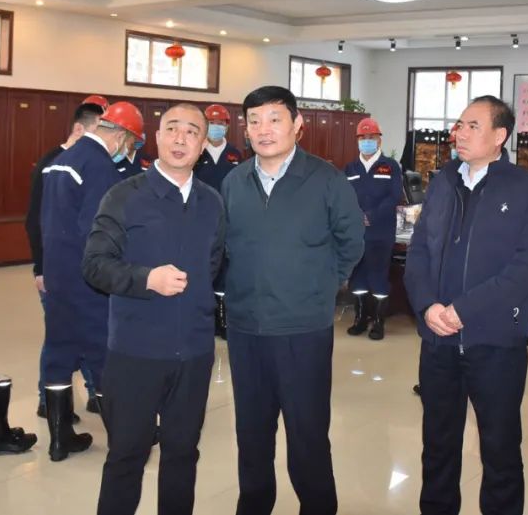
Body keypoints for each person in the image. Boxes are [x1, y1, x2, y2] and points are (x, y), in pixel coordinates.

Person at [220, 85, 364, 515]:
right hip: (246, 328)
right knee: (251, 434)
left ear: (297, 124)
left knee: (308, 435)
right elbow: (223, 248)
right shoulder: (234, 182)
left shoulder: (326, 179)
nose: (264, 130)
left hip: (303, 330)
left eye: (274, 119)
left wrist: (320, 286)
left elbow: (351, 242)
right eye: (254, 121)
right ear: (246, 129)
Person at [403, 96, 528, 515]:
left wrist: (463, 310)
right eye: (459, 125)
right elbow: (420, 251)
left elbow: (526, 268)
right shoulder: (443, 181)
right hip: (439, 341)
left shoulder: (525, 190)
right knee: (437, 446)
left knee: (500, 449)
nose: (460, 134)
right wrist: (428, 306)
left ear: (500, 135)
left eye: (472, 126)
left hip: (495, 342)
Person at [84, 103, 226, 515]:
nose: (181, 139)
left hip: (194, 352)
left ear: (203, 143)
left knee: (182, 454)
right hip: (136, 351)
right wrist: (146, 279)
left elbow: (213, 264)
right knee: (127, 455)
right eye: (172, 129)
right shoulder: (124, 195)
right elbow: (94, 265)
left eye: (192, 132)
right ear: (157, 137)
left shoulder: (212, 203)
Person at [40, 100, 144, 461]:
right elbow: (98, 231)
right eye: (130, 143)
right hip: (88, 280)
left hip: (58, 277)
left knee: (59, 352)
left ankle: (59, 440)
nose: (127, 151)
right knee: (103, 355)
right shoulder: (99, 167)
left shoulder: (62, 159)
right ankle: (123, 439)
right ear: (122, 135)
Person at [26, 99, 106, 417]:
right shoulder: (53, 162)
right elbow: (36, 221)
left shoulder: (91, 161)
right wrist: (40, 268)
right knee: (61, 340)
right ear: (79, 129)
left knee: (82, 337)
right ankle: (49, 403)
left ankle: (94, 394)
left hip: (76, 270)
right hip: (58, 270)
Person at [344, 117, 404, 341]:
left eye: (371, 137)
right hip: (356, 233)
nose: (366, 141)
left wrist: (370, 216)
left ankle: (378, 321)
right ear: (357, 140)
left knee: (379, 276)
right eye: (362, 137)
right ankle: (360, 318)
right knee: (357, 277)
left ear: (379, 140)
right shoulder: (351, 168)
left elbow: (394, 196)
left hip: (380, 233)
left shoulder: (390, 166)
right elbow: (343, 196)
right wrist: (355, 216)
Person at [194, 103, 242, 338]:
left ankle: (222, 319)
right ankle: (205, 318)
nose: (216, 127)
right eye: (211, 123)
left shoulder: (236, 155)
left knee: (225, 268)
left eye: (220, 123)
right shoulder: (197, 151)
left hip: (228, 220)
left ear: (227, 126)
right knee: (202, 266)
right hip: (200, 220)